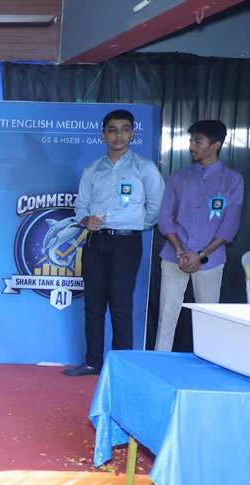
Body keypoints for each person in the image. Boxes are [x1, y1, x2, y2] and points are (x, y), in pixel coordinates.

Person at [64, 109, 164, 376]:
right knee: (93, 306)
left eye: (124, 129)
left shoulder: (144, 167)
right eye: (112, 130)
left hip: (126, 244)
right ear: (103, 135)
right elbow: (81, 205)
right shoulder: (92, 169)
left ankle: (121, 367)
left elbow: (156, 207)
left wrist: (132, 224)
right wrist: (86, 220)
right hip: (95, 243)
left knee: (121, 306)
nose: (118, 135)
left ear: (132, 134)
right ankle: (92, 362)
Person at [154, 119, 244, 351]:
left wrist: (201, 254)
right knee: (166, 317)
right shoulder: (178, 177)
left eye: (198, 141)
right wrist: (180, 251)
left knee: (208, 317)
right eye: (191, 141)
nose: (192, 146)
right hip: (175, 256)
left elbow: (229, 226)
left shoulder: (232, 180)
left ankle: (209, 361)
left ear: (215, 145)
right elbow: (165, 219)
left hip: (210, 260)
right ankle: (159, 363)